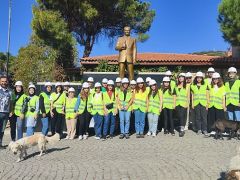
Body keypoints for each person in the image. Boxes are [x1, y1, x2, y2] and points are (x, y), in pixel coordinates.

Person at [0, 75, 13, 146]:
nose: (4, 83)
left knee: (2, 130)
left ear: (7, 82)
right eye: (2, 81)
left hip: (6, 113)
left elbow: (11, 103)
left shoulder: (10, 91)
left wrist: (11, 111)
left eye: (5, 81)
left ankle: (0, 143)